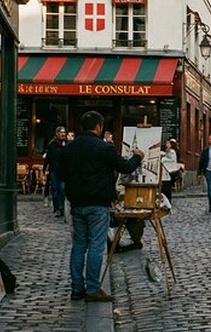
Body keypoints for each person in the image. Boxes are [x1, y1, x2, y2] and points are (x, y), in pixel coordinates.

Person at [58, 110, 143, 302]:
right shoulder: (103, 148)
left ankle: (77, 289)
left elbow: (62, 174)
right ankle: (93, 289)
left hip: (77, 203)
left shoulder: (70, 148)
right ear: (99, 127)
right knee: (97, 246)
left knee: (79, 245)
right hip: (98, 203)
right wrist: (138, 156)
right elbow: (125, 167)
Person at [44, 126, 67, 218]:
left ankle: (61, 208)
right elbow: (48, 158)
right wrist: (45, 169)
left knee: (62, 189)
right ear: (57, 133)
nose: (63, 134)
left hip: (63, 170)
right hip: (54, 170)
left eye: (64, 132)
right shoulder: (52, 144)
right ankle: (57, 208)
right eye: (61, 132)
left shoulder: (66, 144)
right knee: (55, 189)